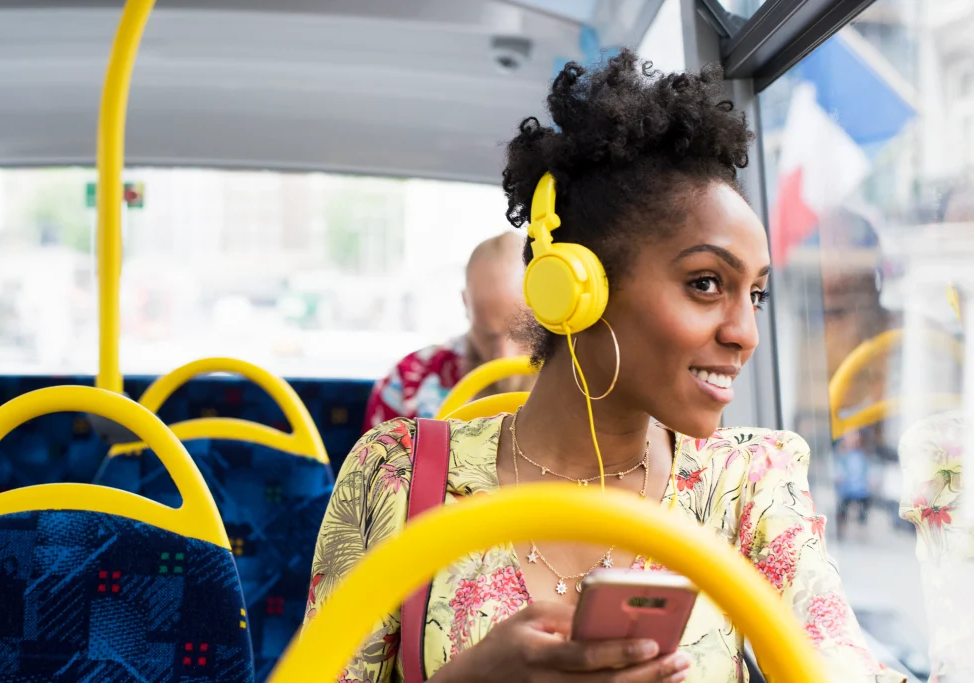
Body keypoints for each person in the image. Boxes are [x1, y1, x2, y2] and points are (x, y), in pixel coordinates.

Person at [308, 52, 903, 682]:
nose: (745, 333)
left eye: (754, 294)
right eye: (705, 283)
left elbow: (841, 664)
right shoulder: (396, 475)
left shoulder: (750, 482)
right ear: (578, 288)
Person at [362, 231, 533, 431]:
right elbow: (372, 459)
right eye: (488, 336)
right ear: (466, 303)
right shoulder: (408, 384)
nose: (504, 356)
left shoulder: (574, 380)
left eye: (523, 335)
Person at [834, 430, 871, 540]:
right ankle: (841, 531)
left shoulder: (861, 455)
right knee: (843, 510)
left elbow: (866, 469)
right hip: (847, 489)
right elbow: (837, 468)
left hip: (861, 489)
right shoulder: (842, 455)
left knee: (862, 511)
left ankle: (862, 531)